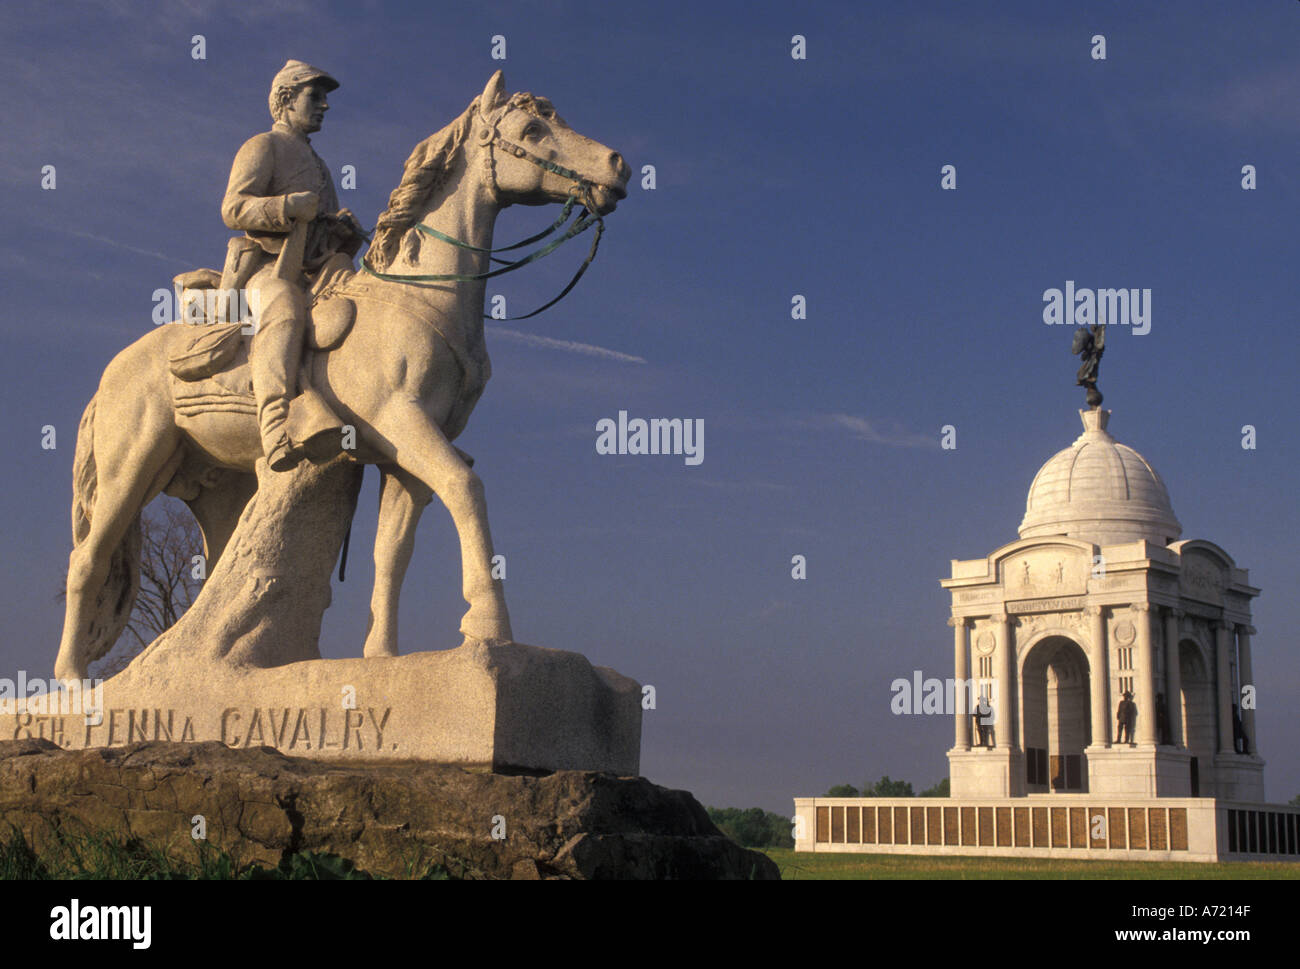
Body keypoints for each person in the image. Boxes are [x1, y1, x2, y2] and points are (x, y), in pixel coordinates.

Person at [219, 59, 364, 471]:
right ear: (286, 100)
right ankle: (276, 426)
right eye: (314, 97)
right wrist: (285, 206)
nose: (324, 106)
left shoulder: (320, 167)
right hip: (269, 269)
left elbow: (321, 235)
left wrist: (342, 231)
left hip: (316, 269)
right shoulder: (263, 146)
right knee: (282, 306)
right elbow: (233, 208)